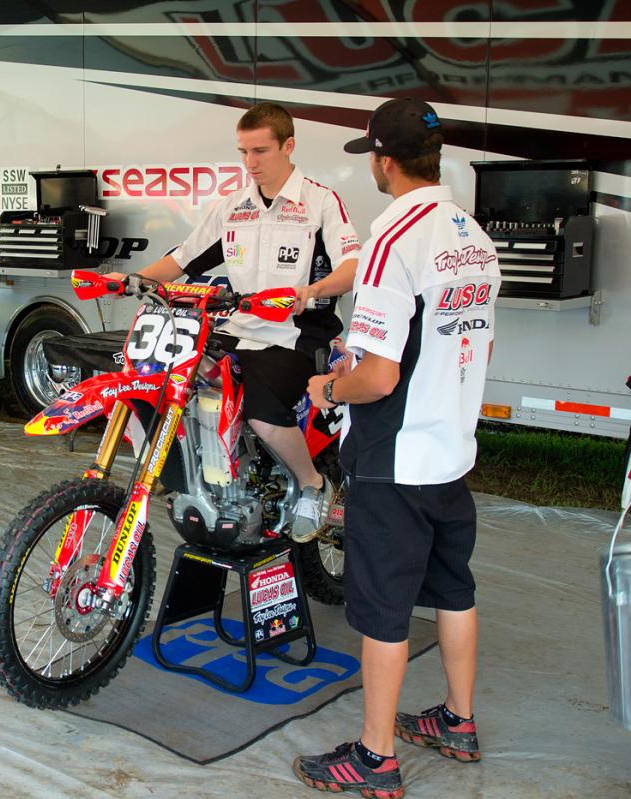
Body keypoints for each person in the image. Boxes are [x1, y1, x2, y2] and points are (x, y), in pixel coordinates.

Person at [294, 98, 500, 798]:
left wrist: (329, 386)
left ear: (384, 161)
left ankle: (375, 757)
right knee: (454, 588)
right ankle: (458, 721)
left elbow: (379, 378)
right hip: (452, 451)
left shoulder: (394, 236)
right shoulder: (473, 234)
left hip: (395, 457)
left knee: (383, 610)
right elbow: (477, 347)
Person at [111, 102, 361, 541]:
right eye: (243, 151)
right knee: (165, 380)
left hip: (296, 336)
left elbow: (353, 266)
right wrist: (132, 280)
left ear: (288, 146)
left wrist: (311, 291)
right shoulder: (232, 207)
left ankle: (311, 484)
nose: (250, 162)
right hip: (237, 330)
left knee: (262, 412)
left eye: (260, 151)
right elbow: (182, 259)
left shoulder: (319, 202)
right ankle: (196, 477)